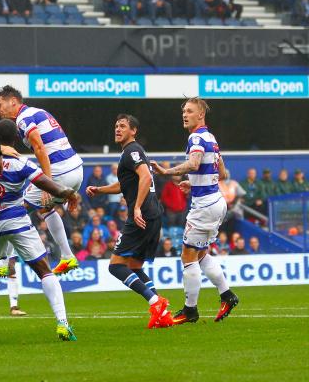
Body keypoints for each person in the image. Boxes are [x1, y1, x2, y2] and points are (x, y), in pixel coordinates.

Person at [0, 118, 79, 341]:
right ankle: (62, 323)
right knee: (44, 270)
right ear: (15, 138)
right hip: (17, 220)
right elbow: (47, 184)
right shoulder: (21, 163)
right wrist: (69, 193)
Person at [151, 97, 238, 325]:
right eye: (183, 111)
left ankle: (190, 310)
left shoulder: (196, 137)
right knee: (200, 254)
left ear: (201, 115)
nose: (184, 114)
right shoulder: (211, 138)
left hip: (205, 206)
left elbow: (194, 163)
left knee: (188, 256)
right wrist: (195, 182)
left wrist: (166, 172)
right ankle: (227, 295)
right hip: (216, 201)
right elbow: (222, 173)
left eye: (189, 111)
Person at [87, 114, 172, 329]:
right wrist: (100, 190)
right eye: (116, 126)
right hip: (153, 214)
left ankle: (156, 303)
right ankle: (162, 311)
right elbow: (124, 185)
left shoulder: (131, 151)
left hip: (141, 215)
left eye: (123, 126)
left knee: (116, 266)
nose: (118, 129)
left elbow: (145, 177)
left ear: (133, 131)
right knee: (134, 266)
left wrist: (135, 207)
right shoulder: (131, 153)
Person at [0, 85, 83, 275]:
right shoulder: (37, 112)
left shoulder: (23, 118)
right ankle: (67, 256)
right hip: (76, 168)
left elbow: (39, 147)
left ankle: (2, 262)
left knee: (13, 208)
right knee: (44, 209)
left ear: (13, 101)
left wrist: (47, 185)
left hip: (59, 171)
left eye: (0, 105)